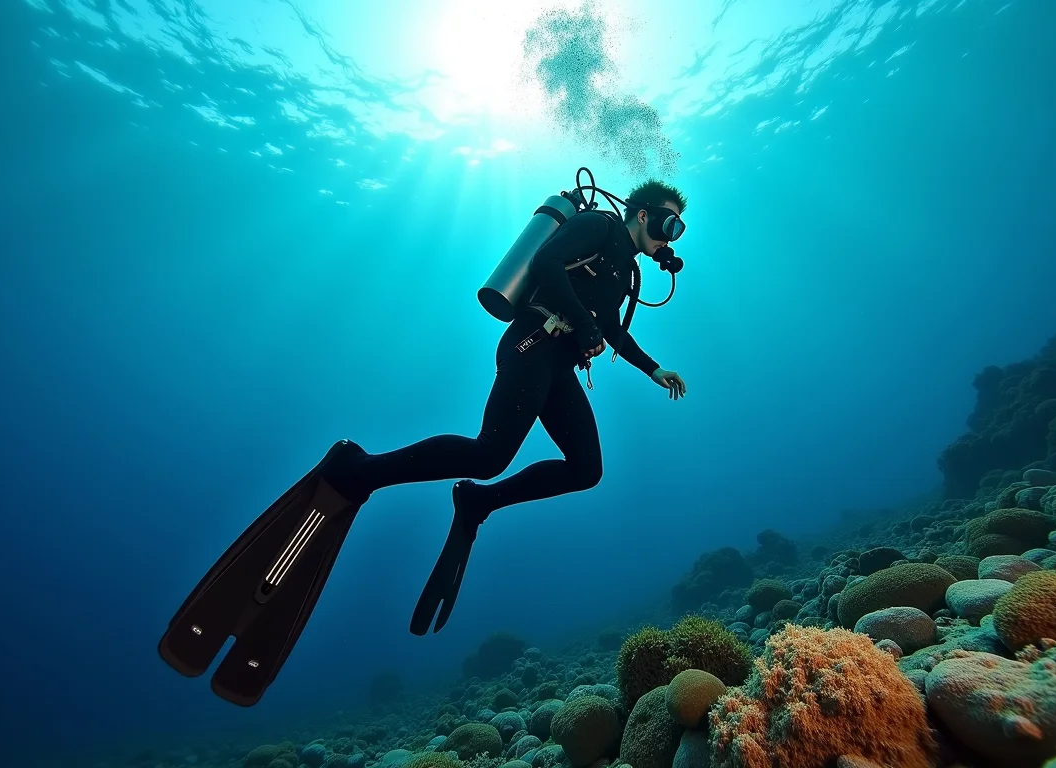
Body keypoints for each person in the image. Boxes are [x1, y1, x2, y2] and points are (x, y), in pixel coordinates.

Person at [157, 179, 690, 707]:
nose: (672, 237)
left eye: (679, 229)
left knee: (586, 468)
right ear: (641, 215)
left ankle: (477, 502)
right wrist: (580, 322)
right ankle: (359, 470)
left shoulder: (629, 270)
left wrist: (652, 369)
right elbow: (549, 262)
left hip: (559, 363)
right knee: (488, 453)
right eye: (669, 223)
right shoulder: (597, 226)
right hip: (532, 341)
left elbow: (611, 330)